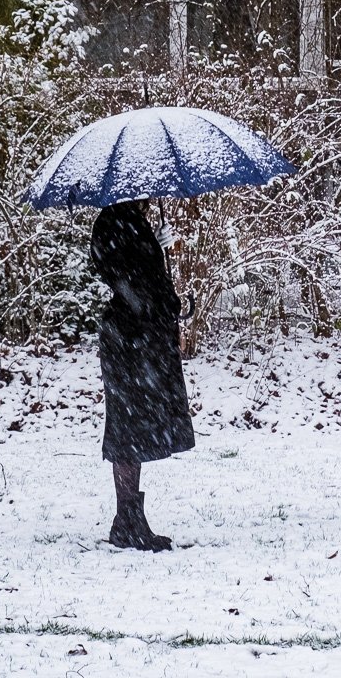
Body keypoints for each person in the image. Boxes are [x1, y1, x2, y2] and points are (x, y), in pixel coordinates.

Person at [89, 200, 195, 551]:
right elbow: (126, 282)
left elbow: (144, 284)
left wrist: (156, 250)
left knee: (132, 430)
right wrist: (151, 250)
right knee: (127, 430)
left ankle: (128, 520)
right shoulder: (114, 223)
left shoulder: (128, 220)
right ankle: (128, 521)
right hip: (130, 341)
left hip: (136, 340)